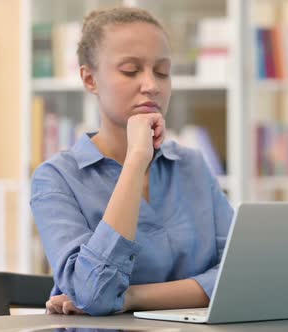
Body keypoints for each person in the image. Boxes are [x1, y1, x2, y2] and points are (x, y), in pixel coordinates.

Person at [30, 6, 233, 316]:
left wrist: (131, 297)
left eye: (162, 72)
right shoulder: (56, 178)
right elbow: (93, 293)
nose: (152, 85)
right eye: (130, 70)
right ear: (90, 79)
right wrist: (136, 160)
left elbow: (238, 276)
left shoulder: (190, 165)